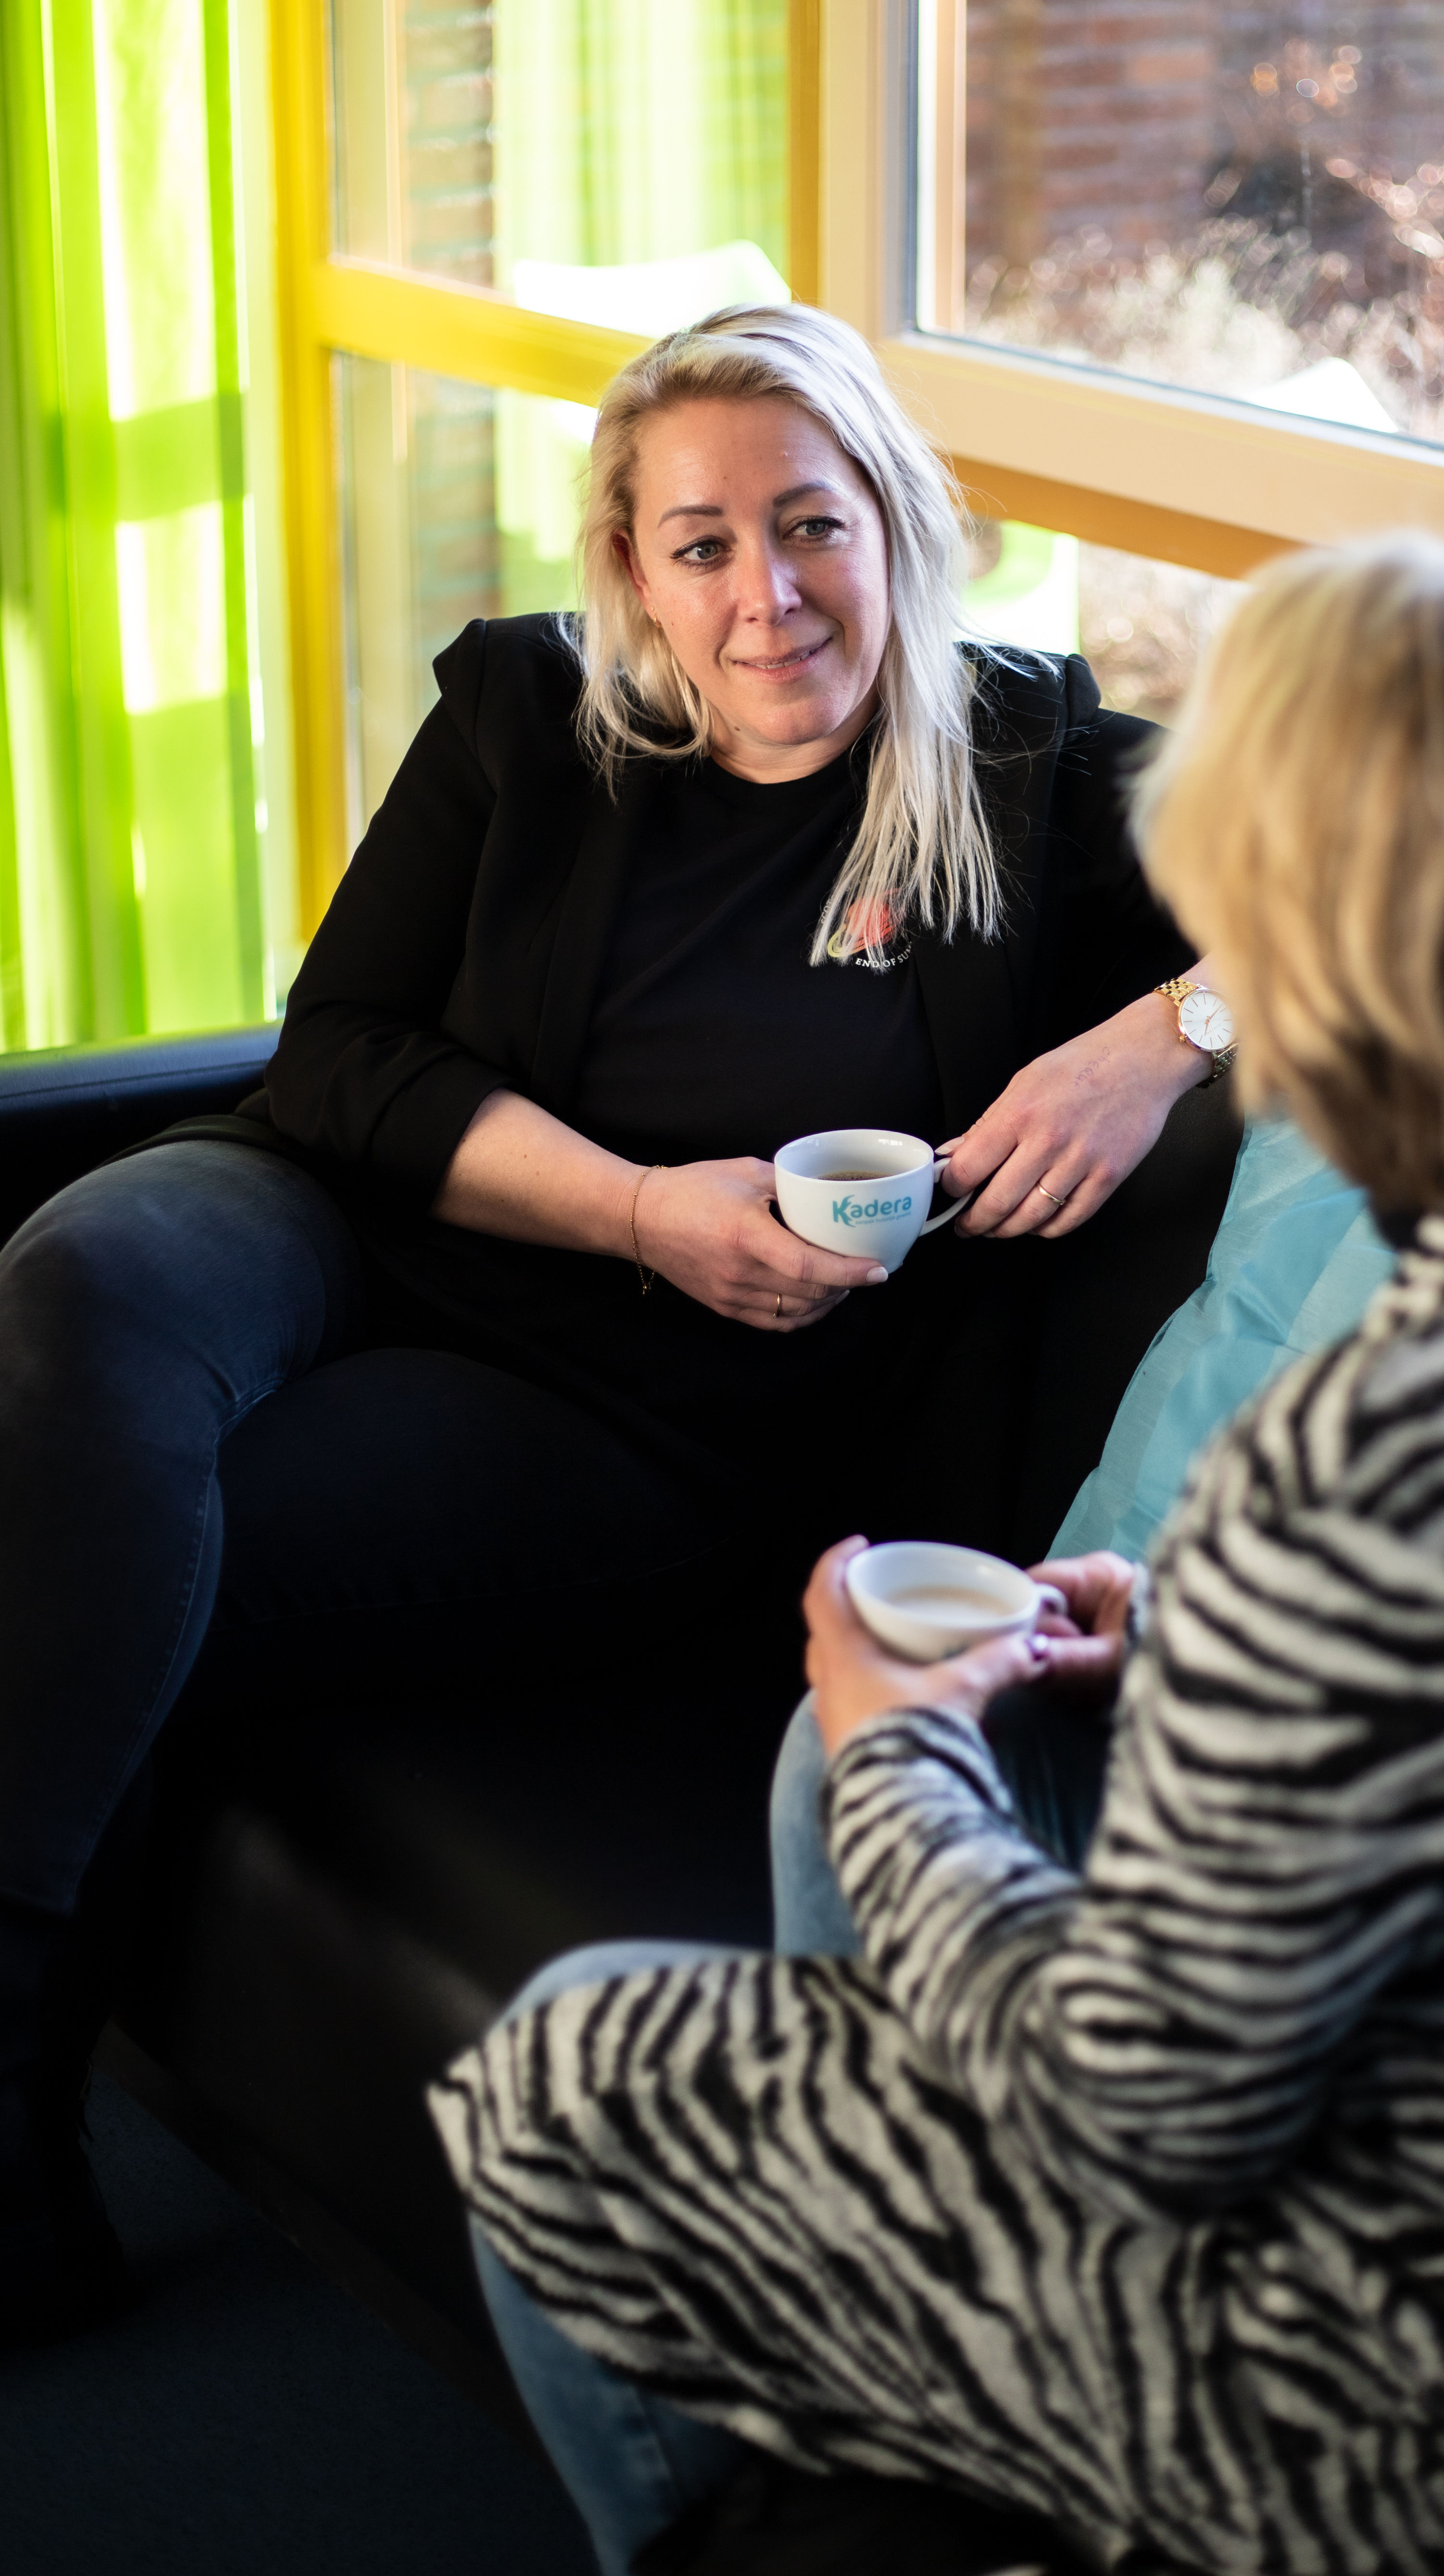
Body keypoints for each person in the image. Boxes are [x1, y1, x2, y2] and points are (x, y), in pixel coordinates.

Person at [436, 530, 1444, 2576]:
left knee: (575, 2068)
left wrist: (898, 1727)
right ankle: (975, 2427)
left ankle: (995, 2429)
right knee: (905, 1771)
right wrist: (1178, 1627)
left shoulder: (1385, 1442)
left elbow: (1145, 2117)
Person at [0, 303, 1228, 2342]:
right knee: (74, 1287)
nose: (767, 597)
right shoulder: (525, 716)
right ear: (630, 569)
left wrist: (1159, 1039)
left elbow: (1406, 874)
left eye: (813, 526)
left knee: (119, 1544)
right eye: (702, 543)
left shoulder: (1021, 766)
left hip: (619, 1418)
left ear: (896, 529)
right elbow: (339, 1058)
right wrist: (643, 1209)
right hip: (355, 1211)